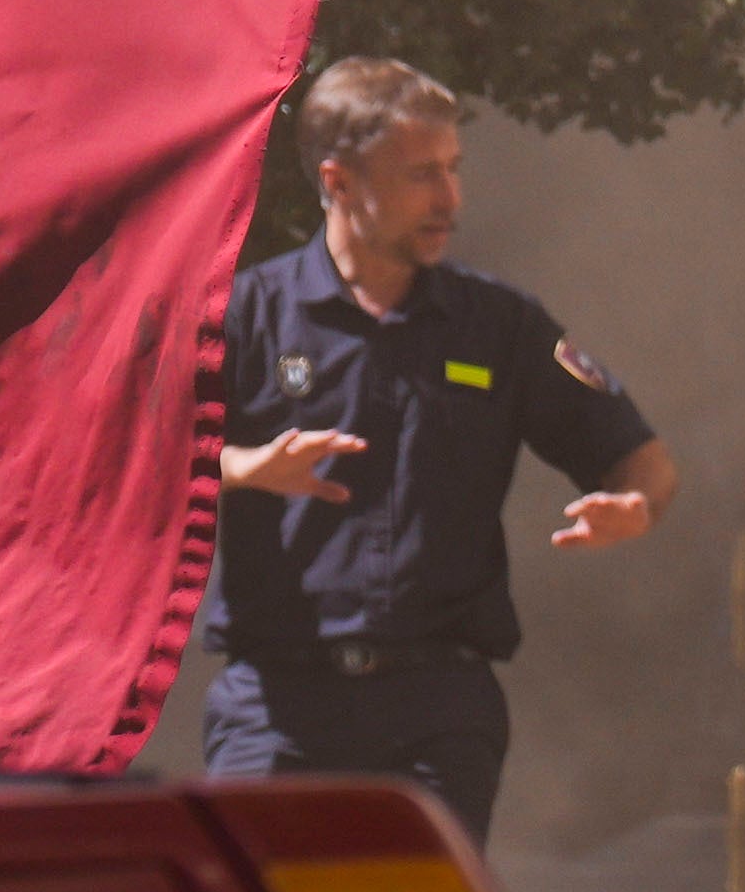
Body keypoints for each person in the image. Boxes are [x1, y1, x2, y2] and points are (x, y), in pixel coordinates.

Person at [192, 60, 666, 844]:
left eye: (452, 170)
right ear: (338, 181)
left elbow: (644, 458)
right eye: (421, 175)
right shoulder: (246, 316)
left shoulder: (501, 327)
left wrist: (636, 505)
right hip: (275, 708)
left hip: (437, 714)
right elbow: (128, 471)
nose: (450, 199)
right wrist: (242, 469)